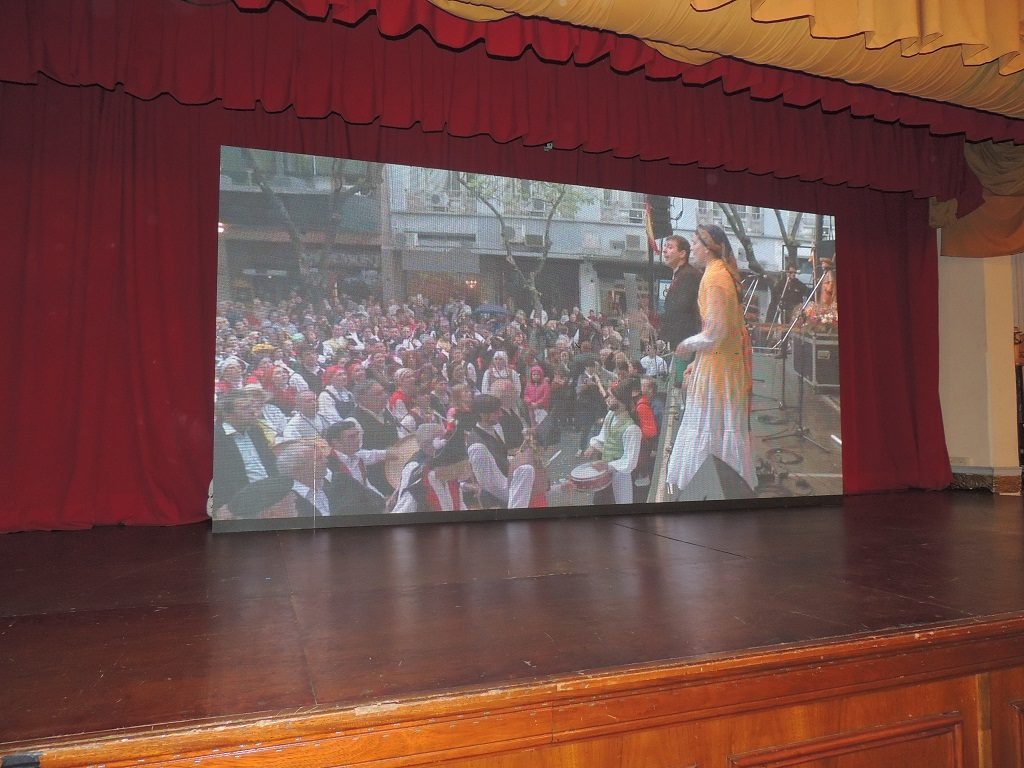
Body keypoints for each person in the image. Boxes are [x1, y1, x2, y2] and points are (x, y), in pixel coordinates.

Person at [666, 224, 756, 497]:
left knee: (710, 425)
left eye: (694, 242)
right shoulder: (716, 275)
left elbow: (715, 334)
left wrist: (687, 345)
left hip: (721, 370)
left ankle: (714, 488)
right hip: (719, 364)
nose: (692, 247)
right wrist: (698, 359)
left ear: (708, 247)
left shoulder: (715, 279)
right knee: (717, 426)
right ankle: (714, 487)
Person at [221, 438, 332, 519]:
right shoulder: (284, 498)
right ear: (298, 468)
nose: (326, 461)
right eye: (318, 459)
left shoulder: (330, 485)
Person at [211, 389, 278, 513]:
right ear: (227, 414)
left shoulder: (255, 431)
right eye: (245, 408)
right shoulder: (216, 438)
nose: (252, 411)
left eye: (251, 406)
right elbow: (217, 479)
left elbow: (271, 464)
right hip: (240, 505)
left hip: (270, 497)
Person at [466, 394, 535, 510]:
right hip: (499, 500)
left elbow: (502, 458)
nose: (501, 414)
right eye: (496, 412)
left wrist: (518, 457)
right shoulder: (477, 448)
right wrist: (516, 490)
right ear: (483, 414)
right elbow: (490, 486)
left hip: (509, 482)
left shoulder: (496, 428)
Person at [582, 379, 642, 505]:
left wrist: (608, 466)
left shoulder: (632, 429)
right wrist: (593, 446)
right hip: (605, 473)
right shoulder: (610, 415)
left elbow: (630, 462)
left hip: (621, 476)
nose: (608, 399)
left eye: (612, 397)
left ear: (622, 401)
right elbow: (604, 436)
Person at [657, 235, 702, 385]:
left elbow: (680, 310)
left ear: (682, 253)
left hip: (687, 343)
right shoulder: (682, 274)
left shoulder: (688, 275)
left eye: (670, 247)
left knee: (681, 385)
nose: (664, 250)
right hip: (684, 343)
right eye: (665, 247)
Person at [322, 419, 388, 514]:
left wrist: (382, 499)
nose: (357, 439)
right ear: (336, 442)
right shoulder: (329, 468)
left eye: (357, 434)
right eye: (351, 437)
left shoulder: (357, 458)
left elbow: (365, 485)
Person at [390, 422, 446, 514]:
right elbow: (405, 506)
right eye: (440, 440)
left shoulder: (439, 459)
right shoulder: (414, 467)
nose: (444, 443)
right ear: (425, 445)